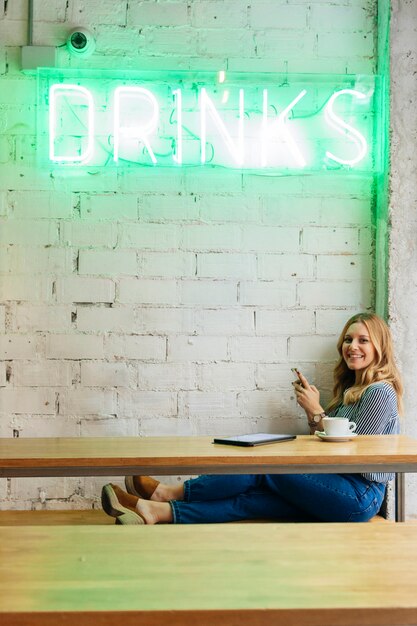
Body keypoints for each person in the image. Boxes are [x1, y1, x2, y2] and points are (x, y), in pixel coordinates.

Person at [101, 312, 403, 525]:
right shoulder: (351, 390)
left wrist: (318, 412)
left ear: (379, 347)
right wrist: (315, 416)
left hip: (357, 496)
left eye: (363, 340)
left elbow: (357, 455)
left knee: (264, 466)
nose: (353, 347)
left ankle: (170, 492)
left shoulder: (379, 392)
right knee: (252, 500)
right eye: (349, 340)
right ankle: (155, 512)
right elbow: (326, 445)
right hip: (336, 487)